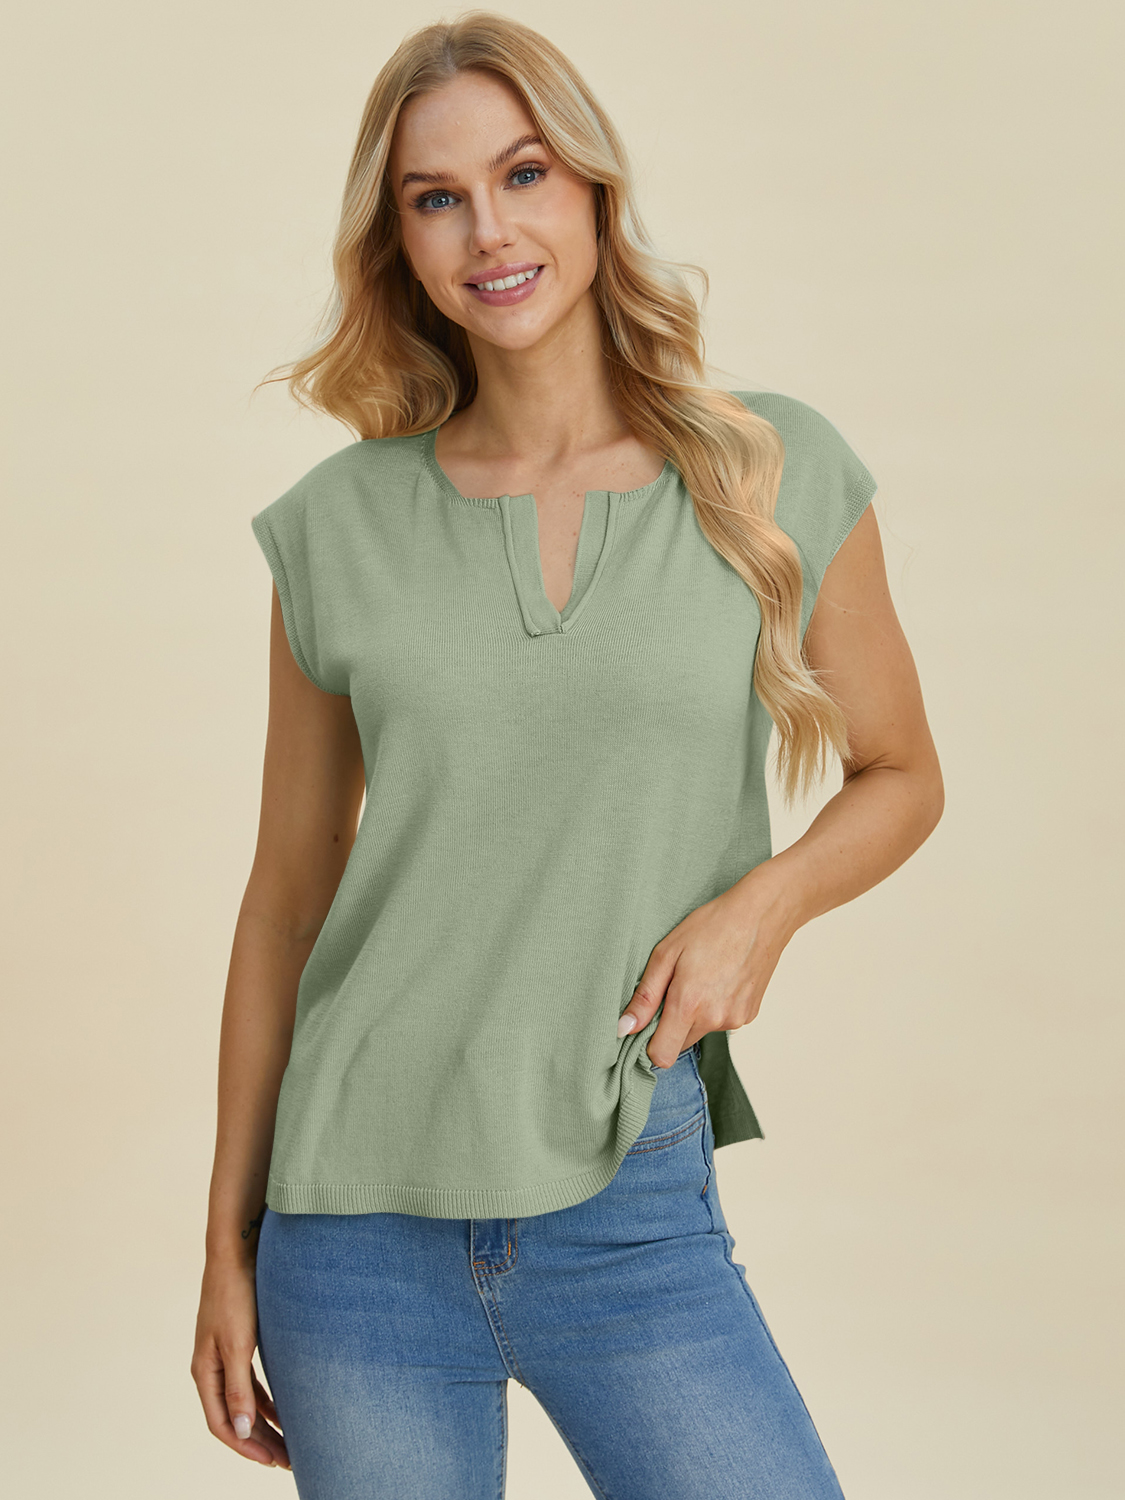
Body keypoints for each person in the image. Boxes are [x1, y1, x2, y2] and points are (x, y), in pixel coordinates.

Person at [191, 12, 944, 1497]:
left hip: (626, 1189)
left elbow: (902, 774)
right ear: (401, 246)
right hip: (351, 1224)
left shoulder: (770, 470)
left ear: (594, 190)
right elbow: (285, 900)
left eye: (523, 173)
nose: (489, 229)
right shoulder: (336, 531)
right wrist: (225, 1243)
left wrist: (758, 910)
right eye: (437, 197)